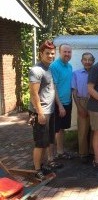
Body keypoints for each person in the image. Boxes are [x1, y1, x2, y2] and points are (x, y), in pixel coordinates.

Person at [29, 40, 60, 180]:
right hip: (41, 112)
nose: (50, 55)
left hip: (50, 110)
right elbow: (34, 94)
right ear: (41, 53)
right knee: (40, 143)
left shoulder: (49, 68)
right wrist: (40, 113)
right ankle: (37, 170)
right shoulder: (36, 70)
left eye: (52, 53)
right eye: (47, 53)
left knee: (47, 141)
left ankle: (44, 165)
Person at [50, 44, 73, 159]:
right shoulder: (54, 66)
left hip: (67, 102)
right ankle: (51, 157)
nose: (67, 54)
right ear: (60, 52)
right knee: (54, 130)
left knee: (62, 129)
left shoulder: (70, 67)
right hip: (57, 103)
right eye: (65, 52)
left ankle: (60, 152)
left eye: (69, 52)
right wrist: (60, 106)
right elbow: (53, 87)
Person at [72, 52, 95, 163]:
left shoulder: (96, 73)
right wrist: (79, 107)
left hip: (95, 102)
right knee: (83, 129)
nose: (87, 62)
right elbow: (74, 92)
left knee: (95, 129)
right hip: (82, 101)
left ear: (93, 61)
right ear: (81, 61)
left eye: (90, 60)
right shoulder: (76, 74)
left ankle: (93, 151)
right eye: (85, 59)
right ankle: (83, 153)